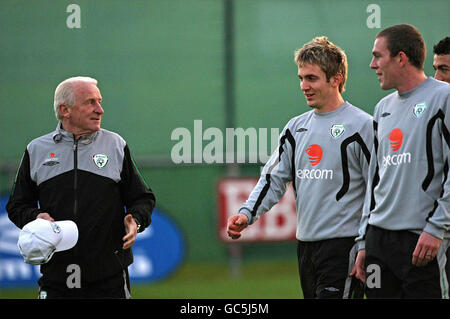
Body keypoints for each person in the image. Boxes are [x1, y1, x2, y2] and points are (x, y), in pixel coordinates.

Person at [227, 37, 373, 299]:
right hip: (306, 247)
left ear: (336, 78)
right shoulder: (295, 128)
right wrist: (246, 214)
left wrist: (365, 243)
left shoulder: (362, 126)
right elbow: (273, 179)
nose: (304, 86)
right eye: (301, 78)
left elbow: (379, 189)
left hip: (345, 246)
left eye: (312, 78)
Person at [6, 76, 156, 299]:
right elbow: (17, 205)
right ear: (65, 110)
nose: (100, 110)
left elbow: (143, 198)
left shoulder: (115, 145)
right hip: (55, 277)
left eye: (100, 101)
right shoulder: (36, 149)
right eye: (90, 102)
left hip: (110, 277)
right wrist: (36, 217)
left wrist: (136, 220)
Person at [353, 24, 450, 298]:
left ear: (401, 58)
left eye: (378, 56)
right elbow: (374, 178)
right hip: (378, 240)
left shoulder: (444, 98)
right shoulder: (382, 108)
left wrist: (436, 227)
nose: (373, 65)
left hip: (421, 239)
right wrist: (363, 241)